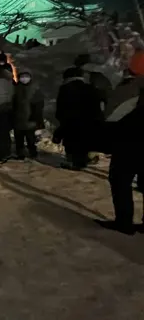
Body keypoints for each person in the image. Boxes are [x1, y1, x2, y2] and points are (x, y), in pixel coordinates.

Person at [96, 51, 144, 235]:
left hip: (129, 143)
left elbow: (112, 114)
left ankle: (124, 222)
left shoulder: (131, 88)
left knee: (121, 182)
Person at [54, 67, 104, 170]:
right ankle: (84, 159)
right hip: (89, 121)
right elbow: (99, 106)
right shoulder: (91, 88)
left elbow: (61, 107)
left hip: (71, 121)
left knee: (72, 142)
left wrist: (60, 120)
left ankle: (75, 162)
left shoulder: (65, 89)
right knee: (84, 141)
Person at [12, 71, 45, 159]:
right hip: (18, 118)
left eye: (26, 76)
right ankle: (20, 153)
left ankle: (32, 153)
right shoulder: (16, 88)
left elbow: (39, 105)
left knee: (30, 138)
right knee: (19, 138)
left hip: (30, 118)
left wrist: (37, 120)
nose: (24, 78)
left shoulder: (35, 89)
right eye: (22, 77)